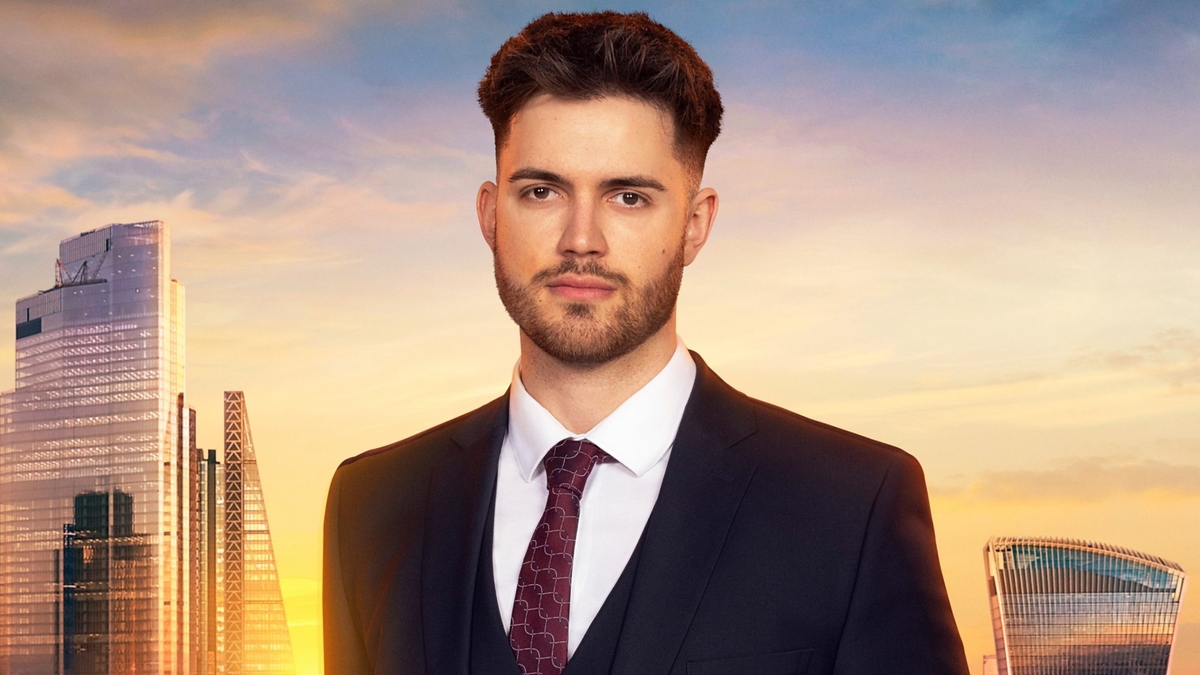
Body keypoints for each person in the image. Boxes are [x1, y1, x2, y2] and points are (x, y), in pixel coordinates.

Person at [323, 11, 969, 675]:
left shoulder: (851, 504)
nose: (581, 238)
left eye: (628, 197)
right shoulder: (372, 502)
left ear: (695, 223)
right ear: (491, 213)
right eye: (542, 190)